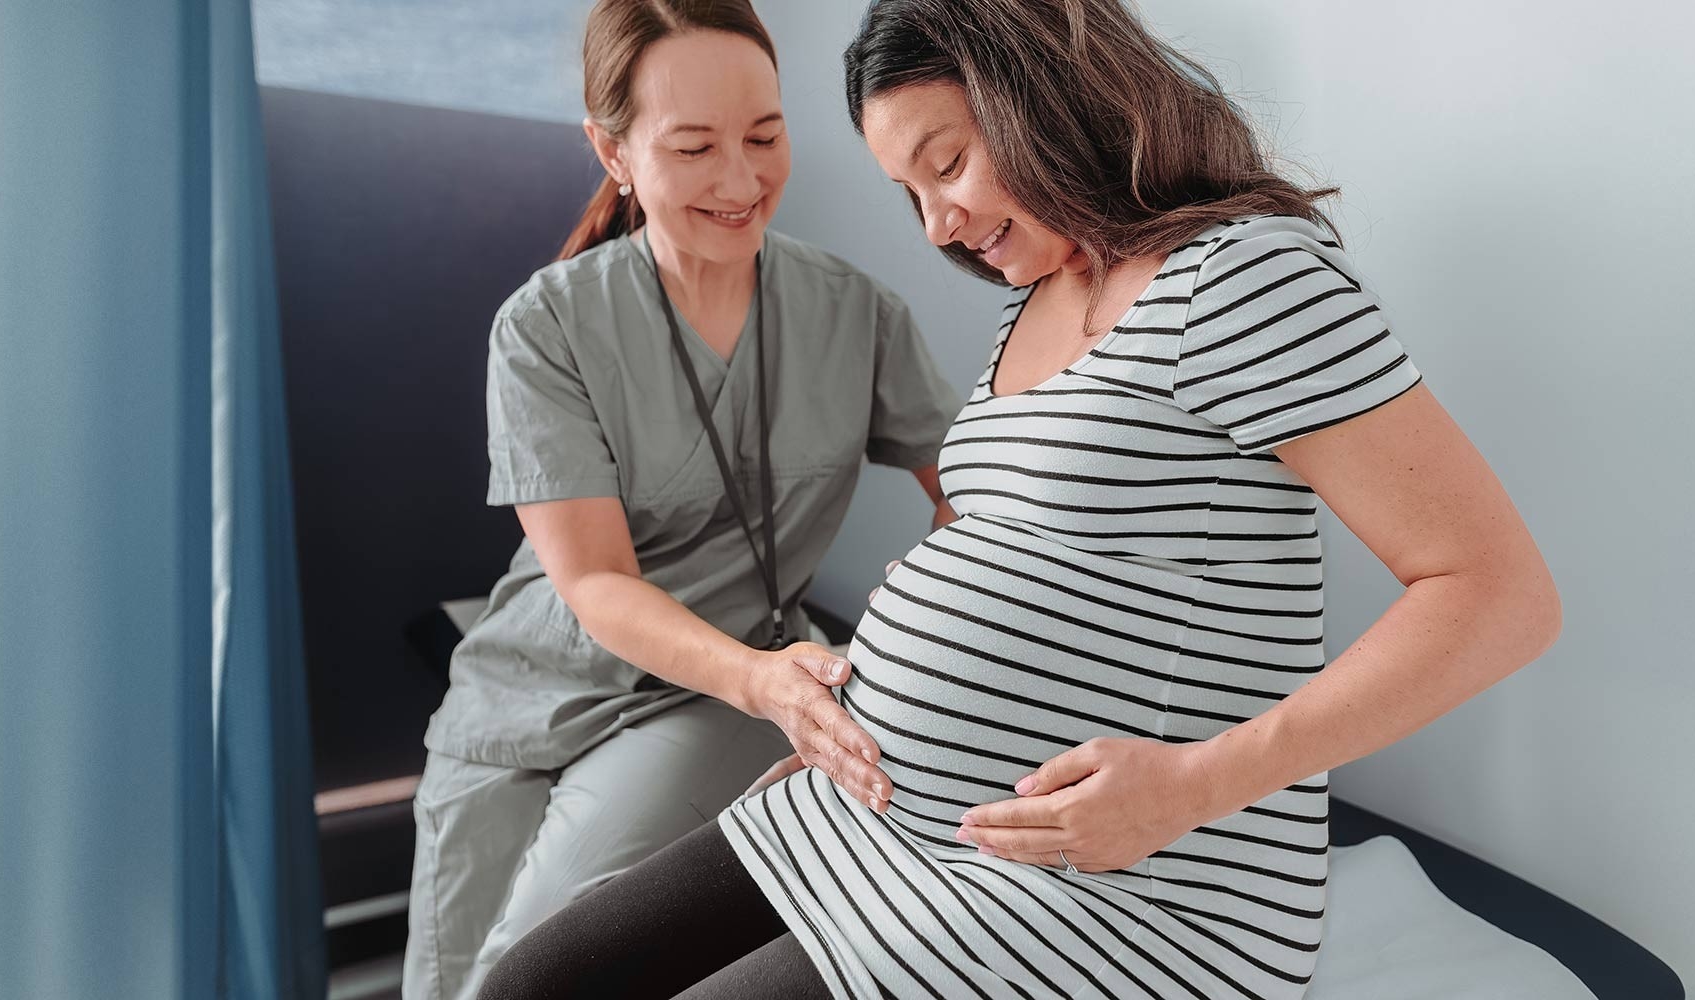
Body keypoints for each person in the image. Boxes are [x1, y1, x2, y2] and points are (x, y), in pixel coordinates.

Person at [471, 0, 1567, 997]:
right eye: (910, 192)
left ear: (1038, 95)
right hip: (880, 809)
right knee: (534, 981)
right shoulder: (1034, 301)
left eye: (945, 164)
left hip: (1120, 885)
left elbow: (1498, 594)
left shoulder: (1242, 280)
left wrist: (1194, 783)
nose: (936, 225)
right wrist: (884, 711)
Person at [400, 2, 963, 997]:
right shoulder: (548, 326)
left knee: (522, 980)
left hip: (714, 687)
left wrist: (915, 650)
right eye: (695, 146)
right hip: (511, 705)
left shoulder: (855, 315)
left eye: (765, 134)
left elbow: (974, 502)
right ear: (611, 151)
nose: (742, 181)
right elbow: (596, 584)